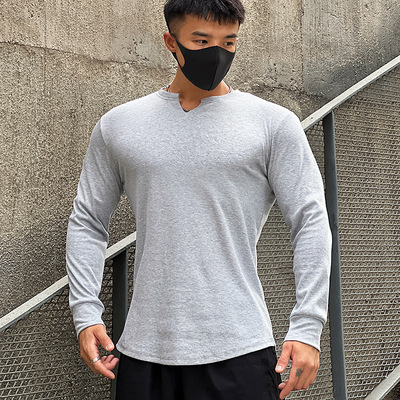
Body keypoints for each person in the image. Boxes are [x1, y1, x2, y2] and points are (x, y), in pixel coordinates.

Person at [66, 0, 332, 399]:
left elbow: (310, 222)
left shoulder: (272, 124)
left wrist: (308, 327)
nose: (217, 54)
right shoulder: (119, 125)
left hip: (239, 348)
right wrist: (85, 312)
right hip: (142, 353)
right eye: (202, 41)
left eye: (229, 42)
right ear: (171, 41)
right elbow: (87, 221)